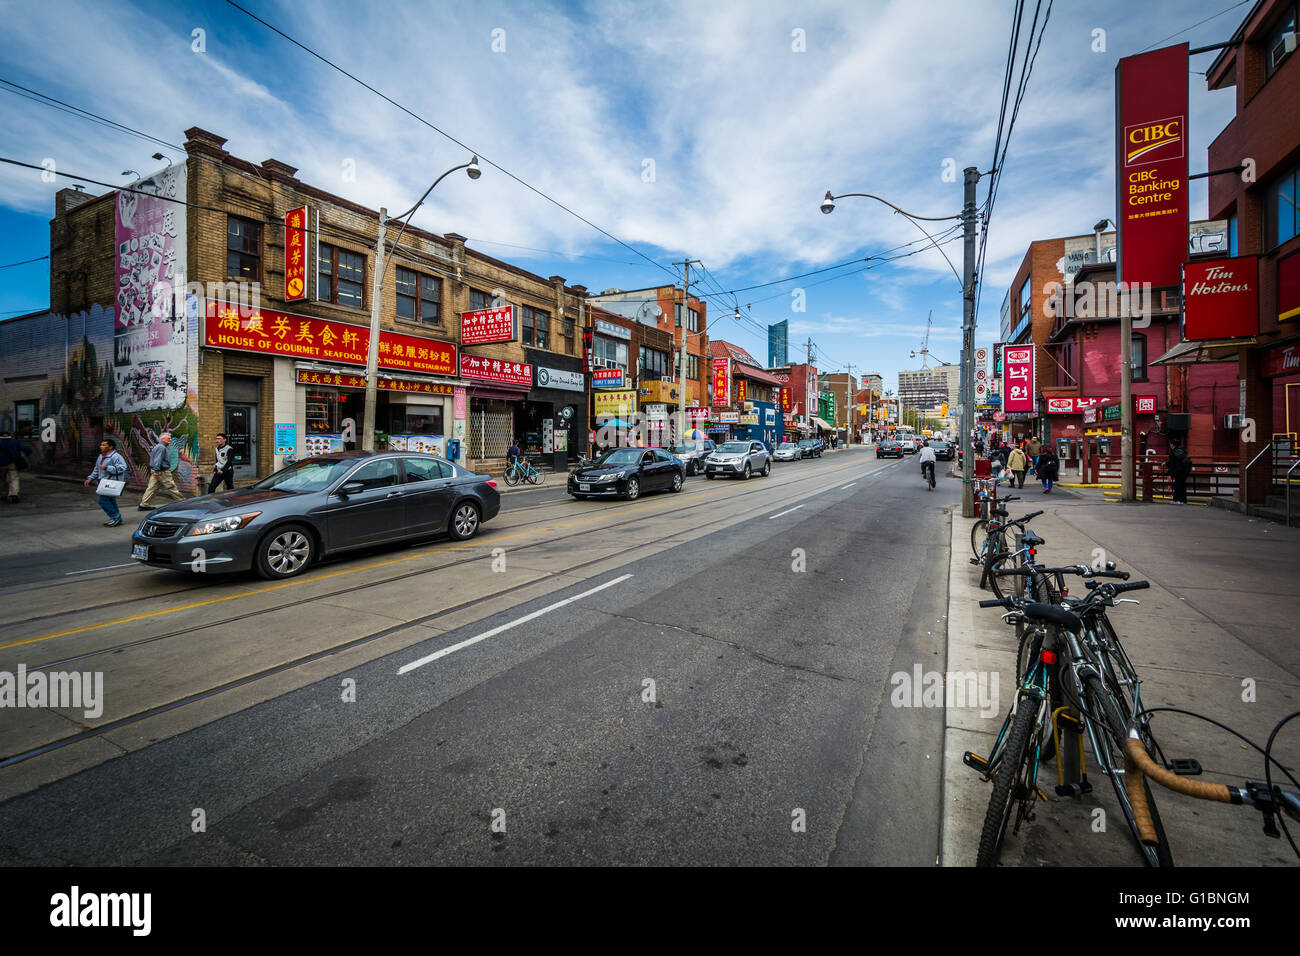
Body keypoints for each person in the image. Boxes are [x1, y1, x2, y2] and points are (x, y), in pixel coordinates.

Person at [85, 439, 128, 526]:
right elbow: (97, 469)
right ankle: (117, 518)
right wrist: (90, 478)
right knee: (111, 500)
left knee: (102, 500)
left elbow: (123, 467)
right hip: (103, 482)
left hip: (111, 482)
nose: (101, 446)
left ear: (110, 447)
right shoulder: (101, 456)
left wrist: (107, 468)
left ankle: (115, 517)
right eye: (101, 444)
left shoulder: (116, 456)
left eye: (104, 445)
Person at [139, 431, 184, 511]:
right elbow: (158, 459)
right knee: (172, 487)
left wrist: (155, 471)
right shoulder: (161, 447)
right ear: (163, 439)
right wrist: (157, 470)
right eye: (168, 438)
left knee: (152, 488)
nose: (170, 440)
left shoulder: (158, 446)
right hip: (161, 471)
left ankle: (143, 504)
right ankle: (183, 502)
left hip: (156, 471)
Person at [0, 430, 33, 503]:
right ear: (9, 435)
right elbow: (27, 449)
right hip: (13, 464)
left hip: (1, 464)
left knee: (2, 479)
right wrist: (26, 454)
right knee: (14, 479)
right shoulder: (15, 442)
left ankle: (3, 494)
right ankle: (13, 494)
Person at [1168, 437, 1193, 504]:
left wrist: (1171, 472)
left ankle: (1178, 500)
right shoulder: (1181, 451)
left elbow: (1173, 463)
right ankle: (1181, 500)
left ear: (1172, 444)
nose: (1170, 445)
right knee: (1181, 485)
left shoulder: (1174, 452)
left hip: (1179, 471)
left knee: (1178, 486)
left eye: (1170, 444)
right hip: (1184, 471)